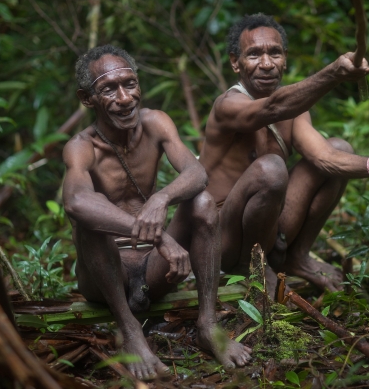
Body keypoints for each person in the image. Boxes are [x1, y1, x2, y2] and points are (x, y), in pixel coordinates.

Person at [199, 13, 369, 293]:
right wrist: (333, 73)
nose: (266, 64)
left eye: (274, 53)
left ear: (285, 58)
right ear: (235, 62)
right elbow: (272, 108)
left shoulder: (294, 111)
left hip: (269, 228)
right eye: (254, 54)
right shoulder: (228, 105)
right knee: (270, 168)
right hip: (225, 239)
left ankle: (296, 257)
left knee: (340, 149)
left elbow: (325, 157)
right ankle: (250, 267)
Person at [62, 45, 251, 380]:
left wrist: (161, 198)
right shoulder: (81, 146)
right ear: (87, 98)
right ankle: (130, 330)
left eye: (129, 84)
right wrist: (160, 236)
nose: (124, 98)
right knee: (89, 221)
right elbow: (76, 202)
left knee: (203, 202)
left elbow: (196, 173)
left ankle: (208, 326)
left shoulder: (155, 122)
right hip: (106, 274)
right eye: (109, 89)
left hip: (154, 269)